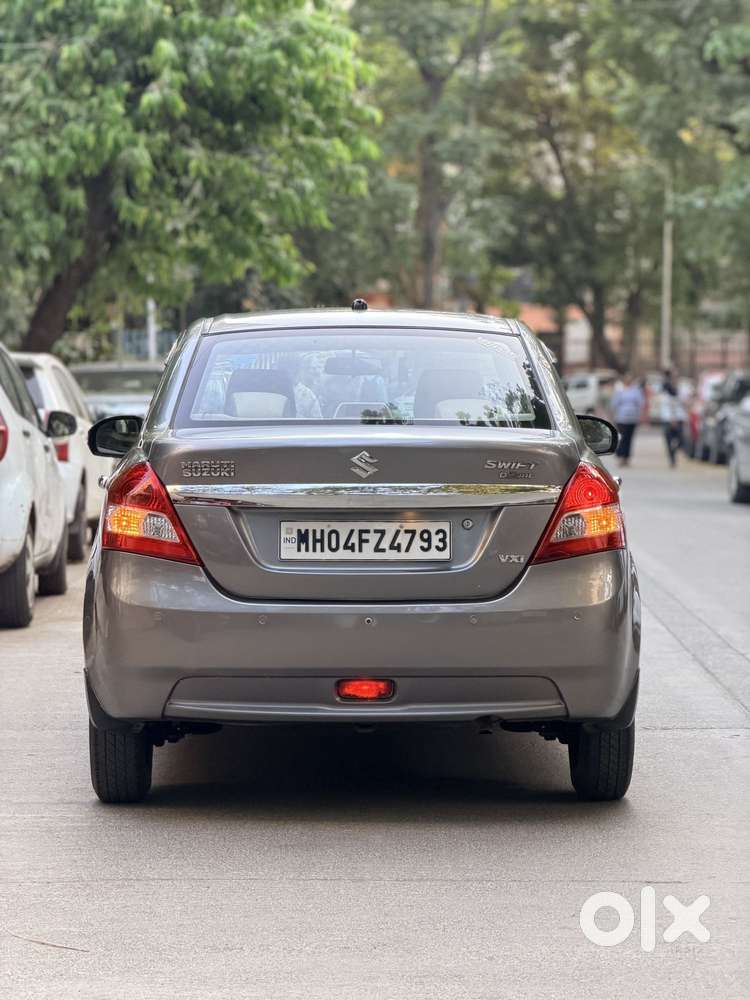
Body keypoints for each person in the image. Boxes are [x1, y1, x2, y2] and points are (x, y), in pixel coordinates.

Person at [610, 373, 645, 466]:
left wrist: (641, 416)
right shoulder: (620, 391)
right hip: (621, 418)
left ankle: (627, 458)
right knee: (622, 438)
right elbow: (614, 404)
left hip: (633, 418)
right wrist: (613, 415)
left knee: (629, 438)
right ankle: (621, 456)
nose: (628, 381)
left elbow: (641, 403)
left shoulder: (636, 391)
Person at [660, 369, 686, 467]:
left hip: (679, 418)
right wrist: (672, 418)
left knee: (680, 439)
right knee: (669, 439)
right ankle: (672, 459)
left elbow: (683, 403)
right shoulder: (667, 389)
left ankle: (675, 451)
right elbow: (670, 405)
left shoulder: (680, 389)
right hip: (669, 419)